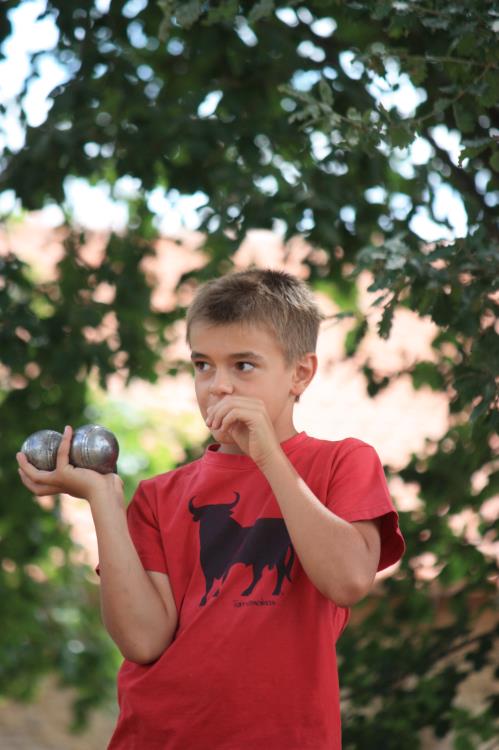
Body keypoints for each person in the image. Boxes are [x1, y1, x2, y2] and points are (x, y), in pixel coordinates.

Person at [17, 268, 405, 749]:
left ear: (300, 373)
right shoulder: (160, 495)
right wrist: (104, 500)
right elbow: (142, 641)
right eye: (203, 365)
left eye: (243, 365)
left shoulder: (342, 461)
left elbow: (347, 580)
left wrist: (268, 456)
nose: (217, 385)